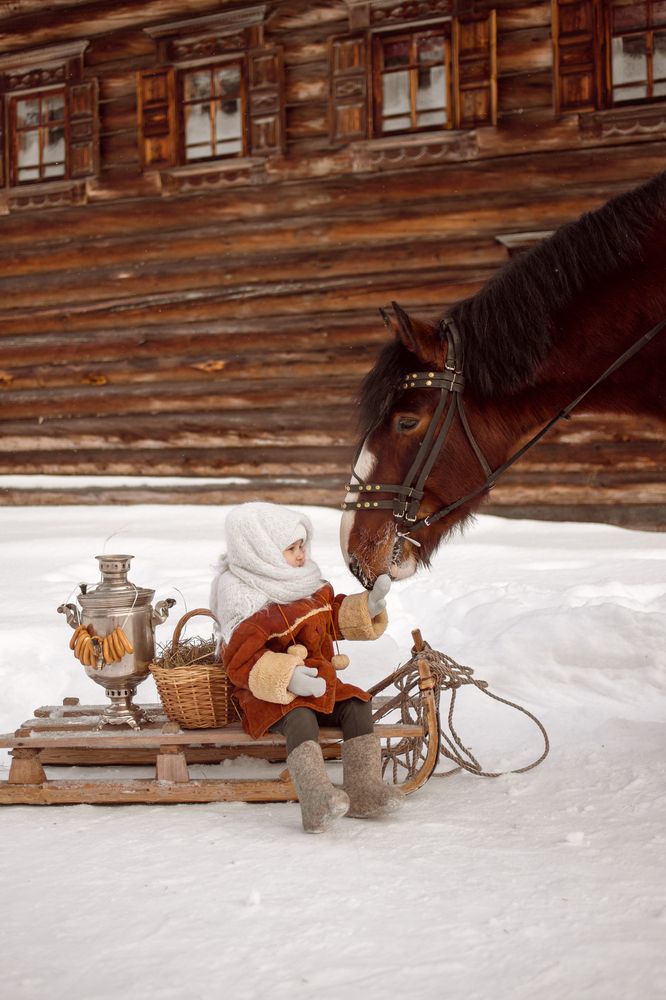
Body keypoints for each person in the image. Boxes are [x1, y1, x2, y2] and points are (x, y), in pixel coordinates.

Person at [209, 501, 402, 833]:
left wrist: (365, 608)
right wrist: (288, 677)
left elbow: (328, 617)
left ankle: (364, 790)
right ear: (261, 552)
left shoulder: (304, 580)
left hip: (319, 682)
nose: (301, 555)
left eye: (302, 546)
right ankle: (316, 800)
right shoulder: (243, 594)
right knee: (300, 716)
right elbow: (240, 659)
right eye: (291, 549)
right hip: (271, 696)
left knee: (357, 704)